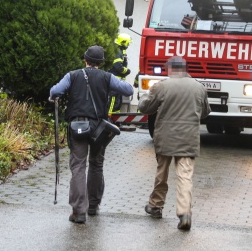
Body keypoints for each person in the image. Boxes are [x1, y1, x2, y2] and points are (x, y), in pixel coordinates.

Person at [49, 45, 134, 224]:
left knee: (78, 166)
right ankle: (93, 206)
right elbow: (128, 90)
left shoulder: (72, 75)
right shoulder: (107, 76)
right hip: (99, 128)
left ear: (85, 60)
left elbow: (55, 91)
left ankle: (79, 211)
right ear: (101, 63)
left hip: (78, 126)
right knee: (96, 165)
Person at [137, 56, 210, 231]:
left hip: (165, 137)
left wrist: (148, 97)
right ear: (185, 69)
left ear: (170, 69)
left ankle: (155, 206)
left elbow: (144, 107)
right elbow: (205, 113)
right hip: (188, 138)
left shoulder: (162, 86)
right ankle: (184, 214)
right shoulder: (199, 87)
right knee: (185, 176)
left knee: (162, 173)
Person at [108, 33, 132, 114]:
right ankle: (109, 117)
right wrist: (127, 71)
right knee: (113, 100)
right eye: (128, 43)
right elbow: (118, 67)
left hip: (118, 81)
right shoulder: (118, 52)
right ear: (123, 42)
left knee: (117, 102)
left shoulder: (120, 51)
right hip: (115, 80)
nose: (128, 45)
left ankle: (115, 119)